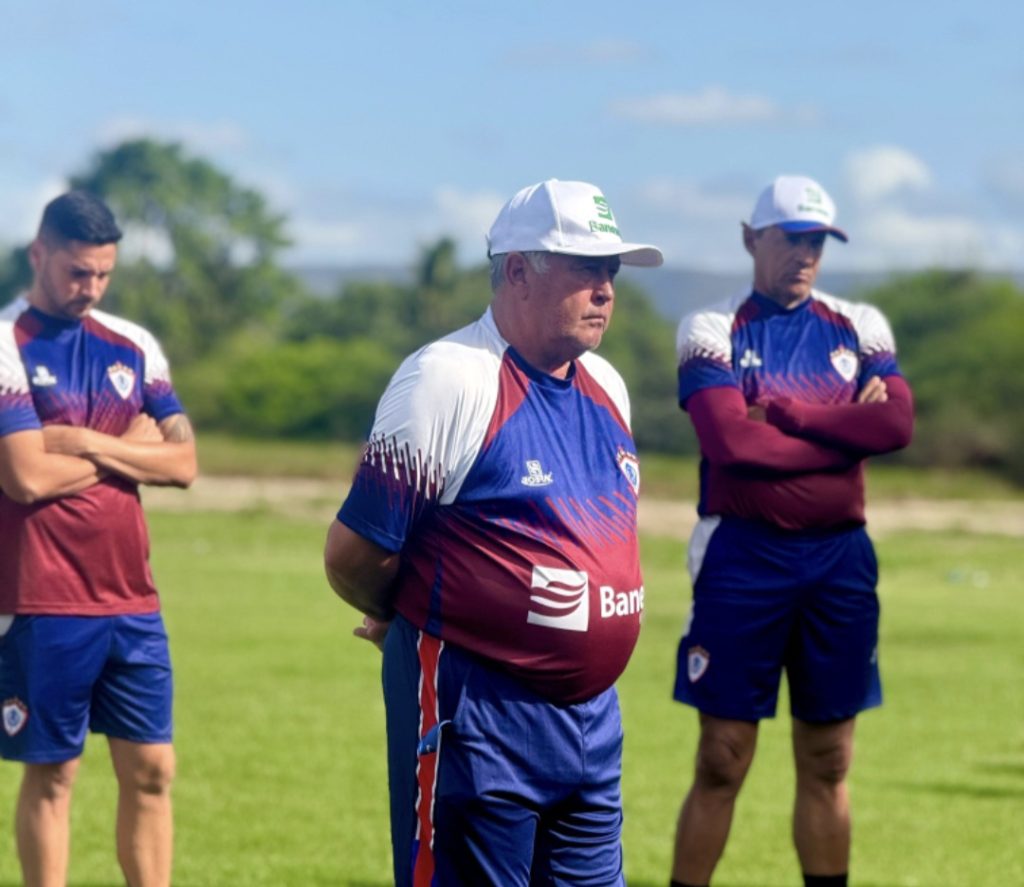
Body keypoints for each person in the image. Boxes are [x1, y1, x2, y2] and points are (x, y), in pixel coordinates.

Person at [324, 179, 663, 886]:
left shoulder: (607, 385)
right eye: (586, 268)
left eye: (612, 271)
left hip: (593, 725)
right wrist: (405, 613)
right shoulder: (448, 378)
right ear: (517, 271)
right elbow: (355, 551)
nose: (606, 289)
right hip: (480, 720)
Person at [669, 175, 914, 887]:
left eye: (816, 242)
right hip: (744, 555)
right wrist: (850, 434)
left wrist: (791, 415)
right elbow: (732, 447)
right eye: (790, 239)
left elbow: (897, 423)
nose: (804, 255)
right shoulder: (713, 328)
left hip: (839, 559)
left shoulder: (859, 323)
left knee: (830, 756)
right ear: (751, 238)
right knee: (722, 753)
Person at [0, 190, 197, 887]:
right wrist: (126, 445)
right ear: (38, 254)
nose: (90, 287)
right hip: (44, 598)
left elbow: (184, 462)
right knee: (54, 774)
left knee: (153, 769)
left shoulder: (133, 344)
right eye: (77, 272)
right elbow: (23, 476)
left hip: (132, 600)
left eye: (103, 274)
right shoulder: (6, 342)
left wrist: (81, 440)